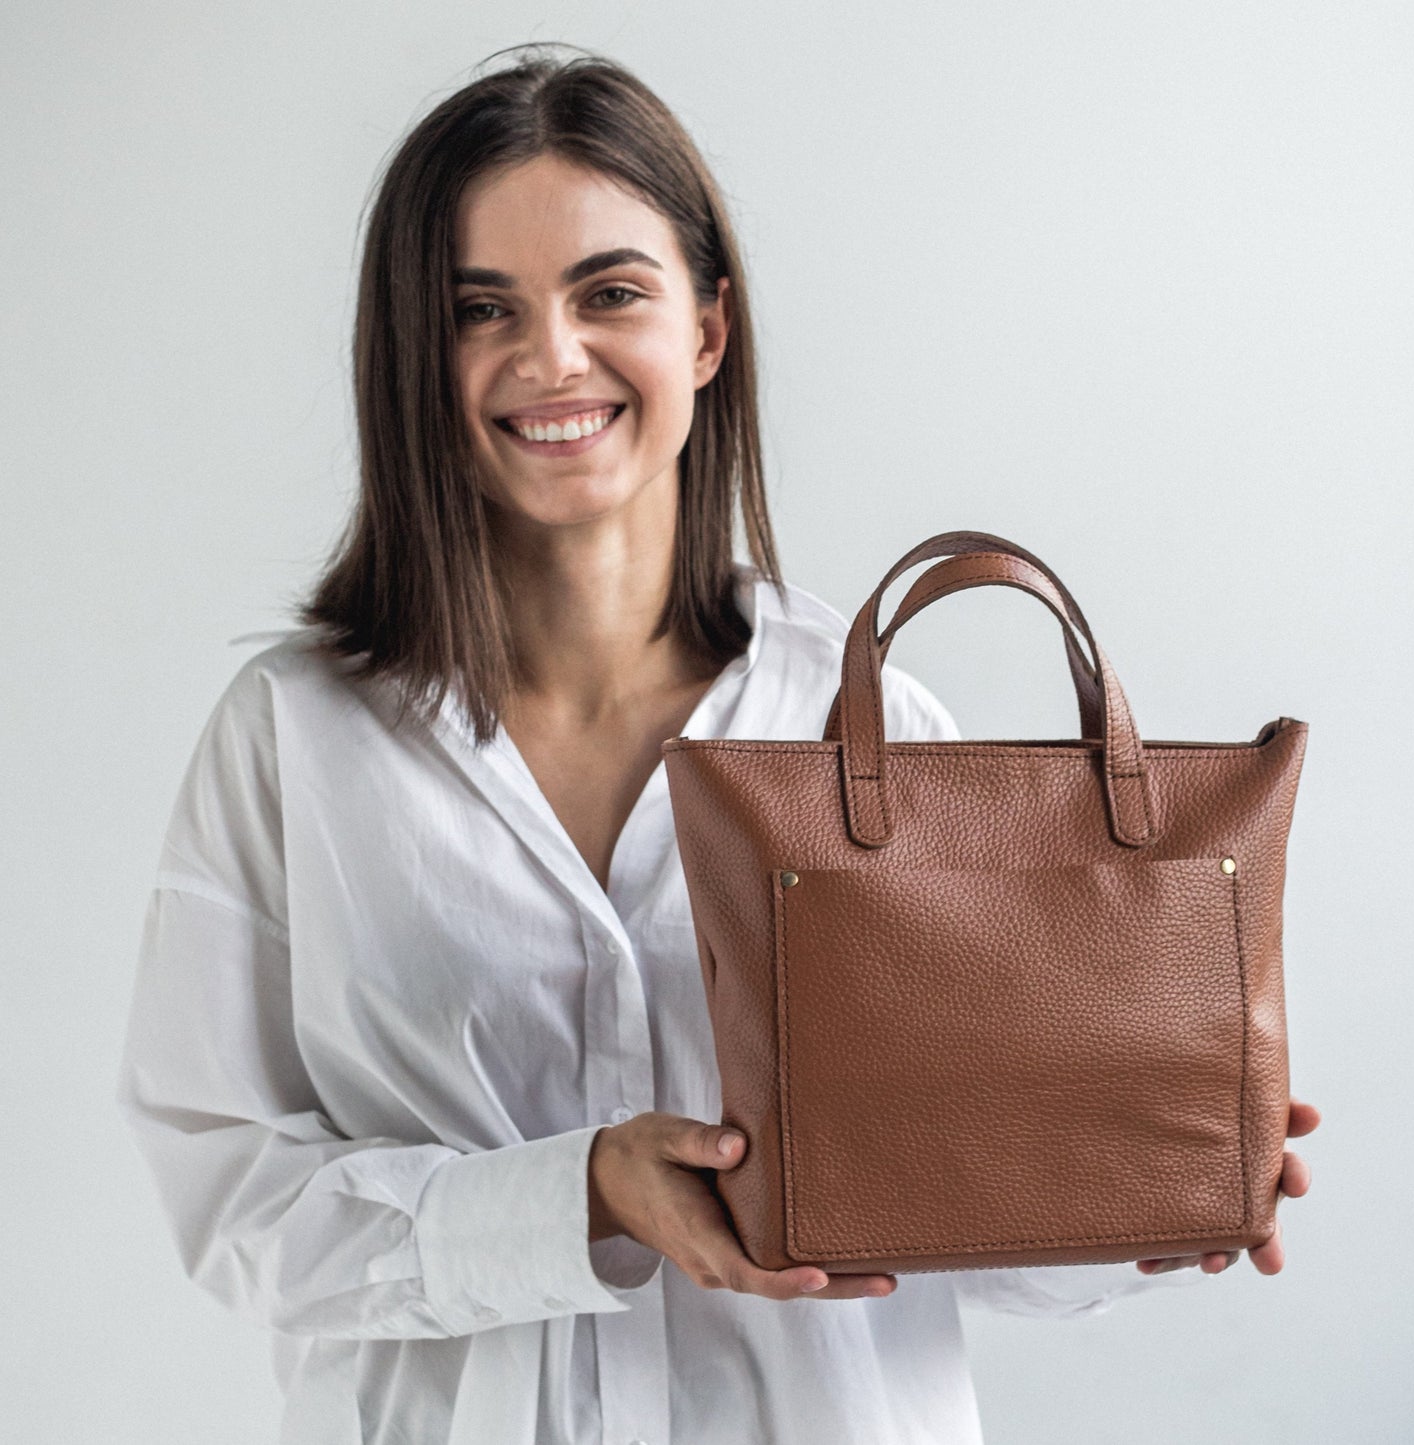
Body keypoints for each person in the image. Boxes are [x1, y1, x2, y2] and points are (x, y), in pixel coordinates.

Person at [115, 44, 1320, 1445]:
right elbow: (230, 1204)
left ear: (702, 330)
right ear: (414, 355)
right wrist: (579, 1195)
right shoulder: (294, 739)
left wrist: (1137, 1185)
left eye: (608, 292)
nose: (549, 356)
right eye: (476, 309)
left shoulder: (857, 732)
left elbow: (952, 1208)